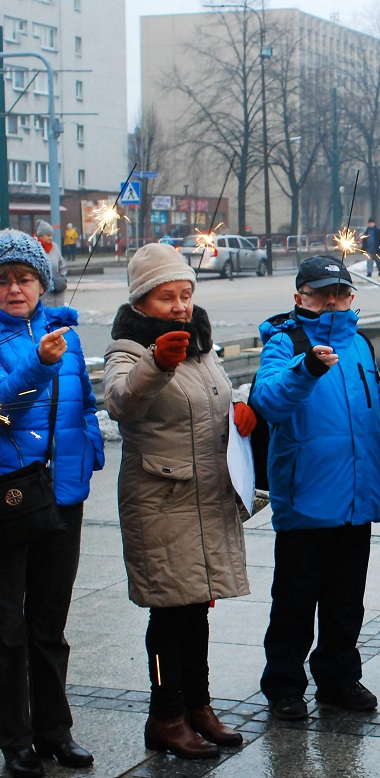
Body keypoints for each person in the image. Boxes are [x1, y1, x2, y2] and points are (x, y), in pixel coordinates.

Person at [104, 244, 251, 760]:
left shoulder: (200, 345)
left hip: (204, 498)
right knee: (168, 613)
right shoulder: (127, 349)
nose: (181, 305)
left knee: (196, 610)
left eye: (185, 294)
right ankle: (166, 714)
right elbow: (123, 403)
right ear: (143, 302)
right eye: (168, 296)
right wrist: (155, 363)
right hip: (160, 502)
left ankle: (199, 707)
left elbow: (209, 404)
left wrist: (241, 412)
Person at [250, 255, 380, 721]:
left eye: (340, 292)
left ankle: (338, 678)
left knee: (345, 600)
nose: (332, 300)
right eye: (321, 293)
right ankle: (284, 683)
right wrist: (307, 369)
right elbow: (268, 402)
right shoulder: (284, 342)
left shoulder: (359, 346)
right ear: (300, 298)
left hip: (357, 495)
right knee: (294, 601)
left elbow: (378, 418)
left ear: (351, 297)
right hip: (306, 496)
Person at [0, 231, 101, 778]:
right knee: (7, 627)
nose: (15, 289)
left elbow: (85, 401)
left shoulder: (67, 334)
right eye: (3, 280)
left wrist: (87, 454)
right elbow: (4, 404)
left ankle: (54, 731)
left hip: (63, 494)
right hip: (10, 495)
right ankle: (13, 740)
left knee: (49, 622)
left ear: (42, 282)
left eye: (25, 278)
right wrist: (38, 362)